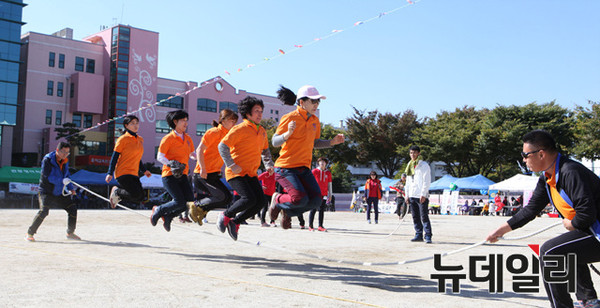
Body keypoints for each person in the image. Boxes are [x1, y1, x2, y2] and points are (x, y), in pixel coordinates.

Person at [486, 130, 600, 308]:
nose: (524, 160)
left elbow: (587, 214)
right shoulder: (547, 178)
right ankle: (589, 302)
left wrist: (572, 223)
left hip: (596, 231)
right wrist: (501, 230)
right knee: (567, 248)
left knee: (549, 252)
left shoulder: (570, 172)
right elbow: (530, 210)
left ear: (541, 154)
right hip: (590, 231)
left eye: (525, 155)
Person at [268, 85, 345, 229]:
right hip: (286, 167)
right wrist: (288, 134)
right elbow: (274, 141)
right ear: (302, 102)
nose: (316, 104)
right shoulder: (289, 118)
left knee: (316, 200)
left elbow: (315, 143)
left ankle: (287, 212)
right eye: (313, 101)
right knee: (299, 198)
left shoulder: (315, 121)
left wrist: (332, 142)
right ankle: (277, 199)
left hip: (303, 168)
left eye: (318, 102)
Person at [217, 96, 274, 240]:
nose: (260, 114)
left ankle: (235, 222)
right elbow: (222, 146)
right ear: (248, 113)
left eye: (261, 111)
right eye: (256, 111)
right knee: (248, 198)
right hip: (235, 172)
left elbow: (265, 151)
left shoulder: (261, 131)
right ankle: (225, 215)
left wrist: (268, 164)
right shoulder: (240, 128)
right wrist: (231, 164)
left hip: (251, 173)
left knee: (260, 201)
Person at [188, 109, 238, 226]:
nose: (233, 124)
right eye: (231, 121)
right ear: (223, 120)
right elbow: (199, 150)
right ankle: (196, 206)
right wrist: (203, 168)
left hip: (214, 174)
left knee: (227, 198)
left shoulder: (229, 136)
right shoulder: (213, 132)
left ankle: (200, 210)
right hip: (202, 174)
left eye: (235, 122)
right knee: (222, 196)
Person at [150, 109, 195, 232]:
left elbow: (192, 154)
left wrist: (201, 157)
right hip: (170, 175)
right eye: (183, 120)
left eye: (187, 120)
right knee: (179, 201)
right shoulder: (168, 138)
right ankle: (159, 209)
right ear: (175, 122)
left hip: (183, 175)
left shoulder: (188, 138)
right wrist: (171, 164)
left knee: (189, 201)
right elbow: (160, 156)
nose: (186, 123)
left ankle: (169, 216)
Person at [26, 142, 80, 241]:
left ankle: (70, 233)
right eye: (63, 152)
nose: (65, 155)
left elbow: (67, 176)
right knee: (44, 211)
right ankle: (30, 233)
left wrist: (71, 188)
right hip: (47, 191)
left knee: (72, 208)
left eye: (67, 153)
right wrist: (61, 181)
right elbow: (47, 177)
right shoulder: (48, 160)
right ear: (57, 150)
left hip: (59, 191)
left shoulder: (65, 161)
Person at [105, 115, 152, 209]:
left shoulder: (140, 139)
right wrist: (110, 172)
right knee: (135, 194)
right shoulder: (122, 139)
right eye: (132, 123)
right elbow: (114, 157)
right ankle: (117, 192)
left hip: (134, 172)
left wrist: (144, 170)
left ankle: (118, 195)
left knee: (140, 197)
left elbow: (137, 158)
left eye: (137, 123)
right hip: (123, 172)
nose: (136, 125)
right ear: (126, 126)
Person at [405, 145, 432, 243]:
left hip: (421, 195)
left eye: (415, 152)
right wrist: (407, 195)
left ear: (418, 153)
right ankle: (418, 234)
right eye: (411, 153)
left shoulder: (424, 165)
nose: (413, 155)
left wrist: (423, 193)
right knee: (415, 216)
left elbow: (426, 180)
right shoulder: (409, 165)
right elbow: (408, 182)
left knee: (423, 216)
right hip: (412, 194)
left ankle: (428, 235)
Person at [309, 157, 333, 231]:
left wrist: (330, 194)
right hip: (315, 193)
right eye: (320, 162)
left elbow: (330, 184)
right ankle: (310, 226)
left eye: (323, 162)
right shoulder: (314, 171)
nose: (322, 163)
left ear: (326, 163)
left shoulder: (328, 173)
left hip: (324, 194)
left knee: (321, 210)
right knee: (313, 209)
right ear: (318, 163)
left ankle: (320, 226)